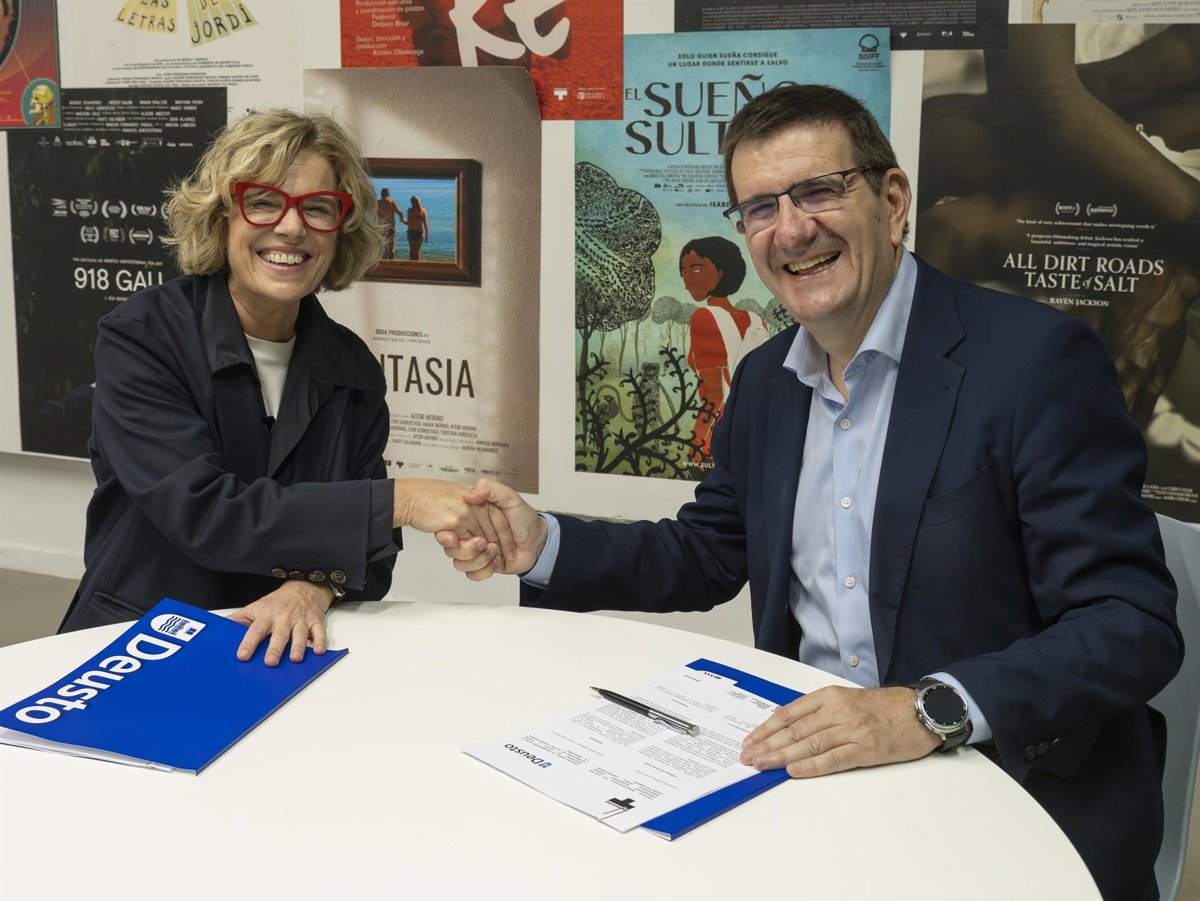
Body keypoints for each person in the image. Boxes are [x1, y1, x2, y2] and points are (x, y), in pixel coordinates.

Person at [442, 85, 1182, 901]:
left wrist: (926, 709)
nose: (791, 230)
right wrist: (543, 542)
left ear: (892, 202)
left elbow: (1129, 623)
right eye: (760, 207)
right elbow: (706, 551)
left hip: (1007, 791)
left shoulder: (1035, 362)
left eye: (819, 192)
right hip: (821, 788)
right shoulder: (767, 379)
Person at [60, 109, 505, 668]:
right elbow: (205, 513)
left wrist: (311, 588)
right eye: (265, 202)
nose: (292, 228)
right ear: (222, 215)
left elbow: (372, 555)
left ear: (340, 230)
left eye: (317, 208)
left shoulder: (352, 367)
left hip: (283, 654)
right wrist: (405, 500)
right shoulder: (142, 336)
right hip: (139, 644)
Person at [678, 236, 760, 462]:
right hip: (753, 433)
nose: (687, 280)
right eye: (684, 272)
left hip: (716, 437)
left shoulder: (705, 317)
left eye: (697, 269)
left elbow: (715, 395)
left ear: (721, 273)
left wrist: (696, 448)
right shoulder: (756, 321)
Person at [376, 186, 405, 259]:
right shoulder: (391, 202)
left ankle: (383, 262)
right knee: (391, 247)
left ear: (381, 194)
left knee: (382, 247)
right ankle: (391, 261)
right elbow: (399, 212)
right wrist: (402, 219)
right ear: (388, 194)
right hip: (390, 228)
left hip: (381, 228)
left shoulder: (377, 203)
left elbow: (373, 215)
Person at [406, 194, 429, 261]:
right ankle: (416, 265)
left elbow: (408, 223)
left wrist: (403, 220)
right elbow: (425, 224)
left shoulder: (410, 210)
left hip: (411, 232)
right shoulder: (423, 211)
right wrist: (427, 236)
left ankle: (411, 265)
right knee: (417, 252)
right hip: (419, 232)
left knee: (412, 251)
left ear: (412, 202)